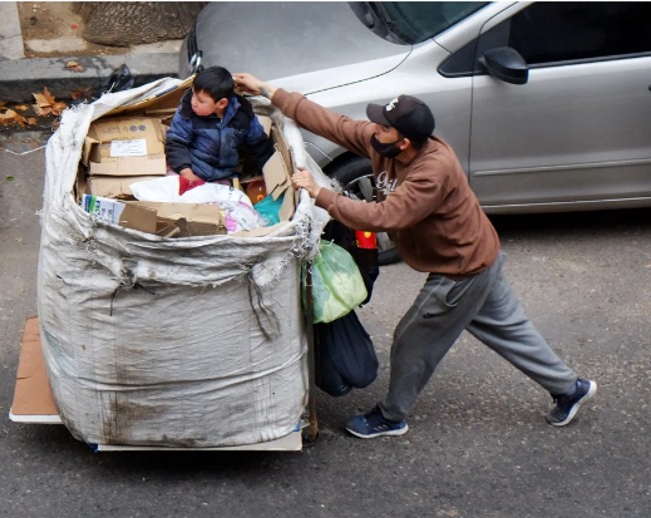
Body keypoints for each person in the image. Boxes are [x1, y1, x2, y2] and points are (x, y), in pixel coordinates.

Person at [233, 72, 597, 439]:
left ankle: (391, 416)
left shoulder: (432, 172)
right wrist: (267, 90)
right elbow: (335, 124)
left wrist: (319, 193)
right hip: (480, 256)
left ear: (404, 142)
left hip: (460, 269)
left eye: (383, 127)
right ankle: (571, 389)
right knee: (511, 331)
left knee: (412, 342)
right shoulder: (385, 143)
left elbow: (383, 216)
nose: (374, 130)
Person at [166, 66, 273, 194]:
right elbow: (176, 142)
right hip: (191, 169)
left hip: (223, 177)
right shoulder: (187, 110)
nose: (193, 102)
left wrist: (267, 174)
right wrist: (186, 172)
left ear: (221, 103)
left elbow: (259, 146)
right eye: (193, 93)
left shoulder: (243, 115)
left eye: (200, 100)